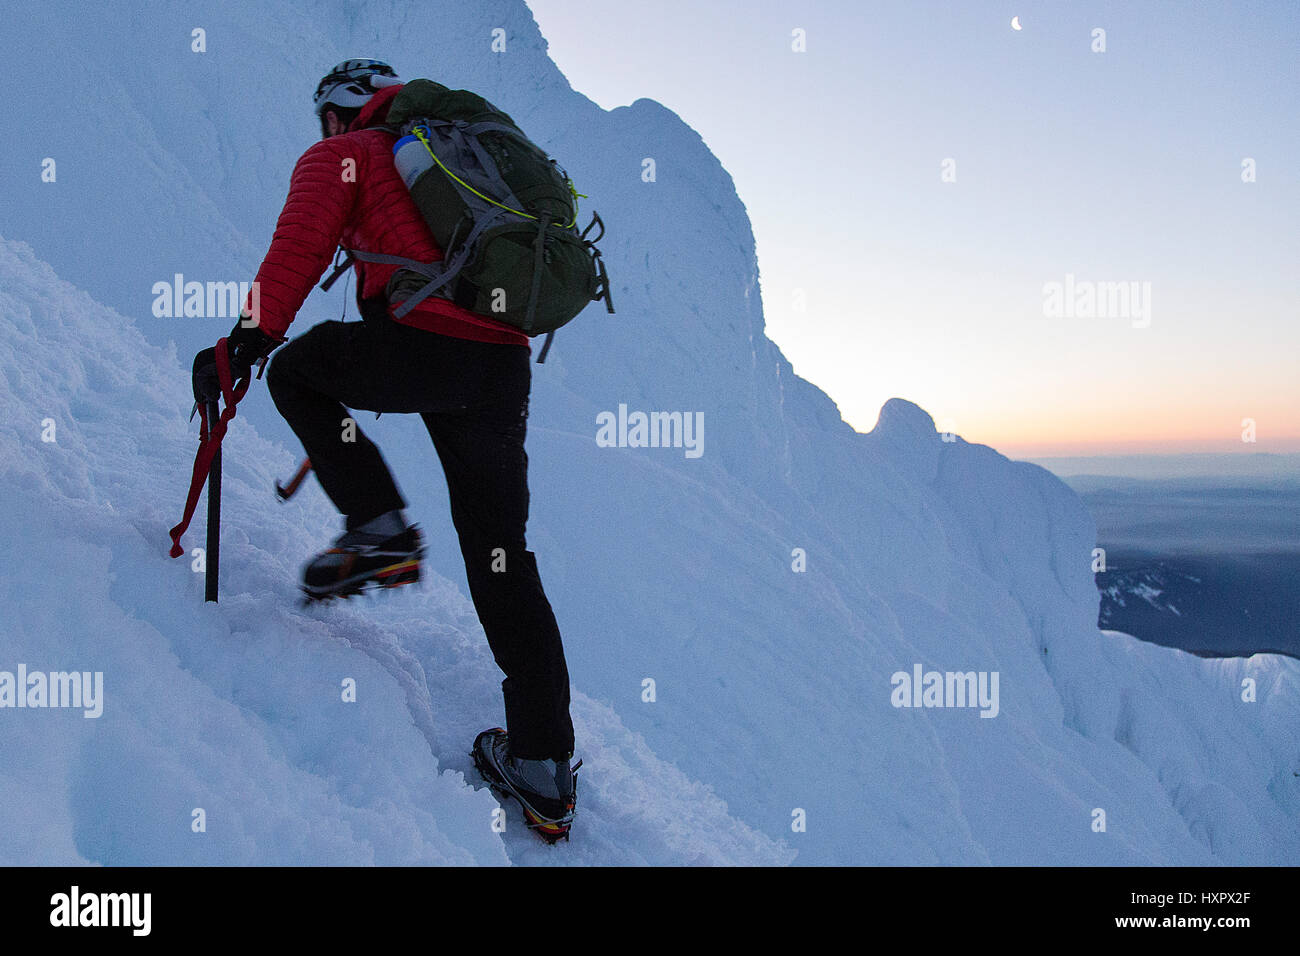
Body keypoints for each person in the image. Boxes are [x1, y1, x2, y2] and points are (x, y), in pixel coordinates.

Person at [191, 59, 577, 834]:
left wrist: (245, 342)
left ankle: (381, 532)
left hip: (426, 342)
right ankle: (543, 766)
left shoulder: (350, 153)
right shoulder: (451, 149)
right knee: (501, 552)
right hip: (499, 365)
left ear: (339, 113)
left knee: (299, 373)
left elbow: (300, 246)